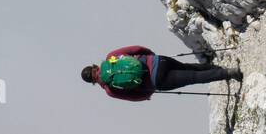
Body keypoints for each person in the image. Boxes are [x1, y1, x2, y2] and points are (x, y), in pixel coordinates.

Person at [80, 45, 241, 102]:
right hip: (158, 61)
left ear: (94, 82)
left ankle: (229, 73)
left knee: (193, 78)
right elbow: (136, 48)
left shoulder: (109, 89)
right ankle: (219, 68)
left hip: (157, 81)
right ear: (95, 66)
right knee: (188, 67)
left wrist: (149, 92)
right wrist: (151, 56)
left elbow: (135, 97)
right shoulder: (111, 57)